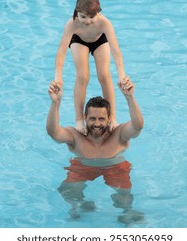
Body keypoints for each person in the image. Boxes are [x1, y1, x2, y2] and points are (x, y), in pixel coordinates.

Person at [46, 77, 144, 226]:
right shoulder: (76, 136)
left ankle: (127, 212)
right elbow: (53, 132)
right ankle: (79, 205)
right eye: (92, 118)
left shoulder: (119, 135)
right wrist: (55, 103)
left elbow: (137, 126)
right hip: (83, 167)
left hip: (115, 166)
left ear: (109, 119)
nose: (96, 123)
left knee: (124, 196)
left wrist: (130, 98)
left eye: (101, 119)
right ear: (85, 118)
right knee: (66, 191)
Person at [53, 0, 128, 135]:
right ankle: (79, 119)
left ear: (98, 13)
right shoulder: (72, 24)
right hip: (79, 40)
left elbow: (116, 51)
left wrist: (121, 75)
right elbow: (61, 52)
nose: (87, 21)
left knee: (105, 75)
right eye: (83, 17)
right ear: (76, 13)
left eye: (91, 17)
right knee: (83, 76)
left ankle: (112, 117)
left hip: (99, 40)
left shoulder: (105, 23)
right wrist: (58, 77)